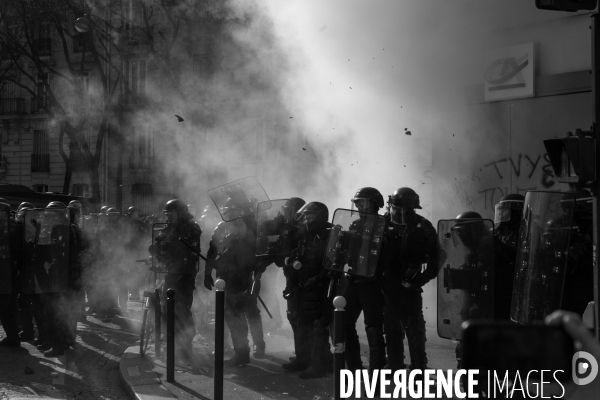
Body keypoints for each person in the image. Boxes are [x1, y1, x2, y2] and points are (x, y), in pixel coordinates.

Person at [204, 198, 266, 366]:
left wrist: (258, 268)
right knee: (230, 314)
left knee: (249, 312)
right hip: (226, 277)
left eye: (231, 210)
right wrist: (207, 273)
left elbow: (261, 252)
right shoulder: (221, 227)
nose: (228, 214)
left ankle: (257, 345)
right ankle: (238, 349)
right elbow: (212, 251)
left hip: (245, 277)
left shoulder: (250, 227)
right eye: (226, 211)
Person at [384, 187, 438, 371]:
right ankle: (394, 365)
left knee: (414, 328)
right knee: (391, 328)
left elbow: (434, 259)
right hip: (387, 284)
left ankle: (418, 368)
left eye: (404, 210)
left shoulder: (423, 226)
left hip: (409, 285)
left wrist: (418, 280)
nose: (399, 213)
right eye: (396, 209)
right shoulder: (382, 223)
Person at [283, 201, 332, 379]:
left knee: (318, 326)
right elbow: (300, 254)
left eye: (311, 216)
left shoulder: (329, 234)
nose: (307, 219)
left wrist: (319, 279)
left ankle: (318, 365)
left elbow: (332, 262)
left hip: (320, 287)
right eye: (305, 216)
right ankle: (303, 359)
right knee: (302, 323)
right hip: (304, 284)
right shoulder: (306, 234)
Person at [342, 187, 387, 375]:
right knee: (343, 323)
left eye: (364, 203)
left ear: (375, 205)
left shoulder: (384, 226)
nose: (360, 206)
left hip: (374, 284)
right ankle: (353, 368)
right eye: (358, 203)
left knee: (373, 330)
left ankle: (376, 375)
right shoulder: (354, 225)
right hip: (354, 280)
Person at [150, 199, 201, 362]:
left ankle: (186, 345)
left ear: (181, 213)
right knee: (165, 306)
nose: (168, 217)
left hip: (185, 274)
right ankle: (170, 342)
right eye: (166, 214)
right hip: (170, 272)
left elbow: (190, 249)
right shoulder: (167, 229)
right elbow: (159, 248)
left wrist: (172, 240)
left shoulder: (191, 228)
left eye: (171, 214)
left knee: (182, 308)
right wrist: (156, 250)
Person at [0, 202, 23, 346]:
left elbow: (11, 251)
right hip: (8, 272)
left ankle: (14, 337)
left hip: (7, 272)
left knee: (5, 307)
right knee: (6, 307)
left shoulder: (10, 228)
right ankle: (13, 335)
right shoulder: (12, 226)